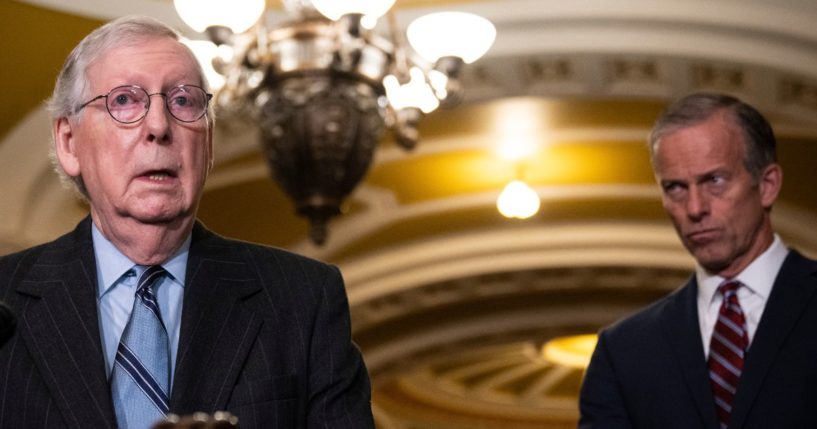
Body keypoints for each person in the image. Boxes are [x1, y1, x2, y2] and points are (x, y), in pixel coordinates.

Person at [0, 16, 374, 429]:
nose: (159, 127)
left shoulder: (304, 301)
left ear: (208, 142)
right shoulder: (5, 302)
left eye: (183, 101)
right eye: (125, 100)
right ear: (69, 143)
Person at [579, 93, 817, 428]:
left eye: (714, 181)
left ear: (767, 185)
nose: (694, 208)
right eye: (675, 188)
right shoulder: (623, 352)